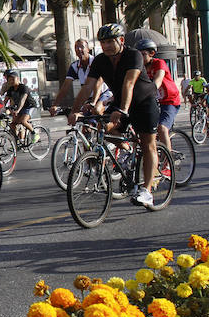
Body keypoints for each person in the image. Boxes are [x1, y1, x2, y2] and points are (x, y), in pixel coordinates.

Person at [68, 23, 160, 208]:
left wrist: (123, 110)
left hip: (143, 102)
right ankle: (126, 149)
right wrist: (74, 110)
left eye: (110, 41)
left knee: (147, 143)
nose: (106, 46)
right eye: (103, 42)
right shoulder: (100, 61)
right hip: (121, 102)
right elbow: (87, 86)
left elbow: (129, 84)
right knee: (103, 127)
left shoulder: (133, 55)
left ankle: (147, 191)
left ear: (121, 40)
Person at [136, 39, 181, 152]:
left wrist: (151, 88)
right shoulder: (139, 67)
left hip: (169, 101)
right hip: (153, 102)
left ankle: (168, 162)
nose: (140, 58)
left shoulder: (159, 63)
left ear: (152, 53)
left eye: (143, 54)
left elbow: (158, 80)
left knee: (162, 128)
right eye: (138, 55)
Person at [48, 38, 112, 116]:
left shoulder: (96, 62)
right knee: (77, 116)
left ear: (88, 49)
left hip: (103, 94)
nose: (79, 49)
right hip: (88, 98)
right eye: (76, 47)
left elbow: (98, 84)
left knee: (97, 110)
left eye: (82, 47)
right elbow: (65, 86)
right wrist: (55, 105)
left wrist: (93, 103)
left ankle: (104, 126)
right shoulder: (75, 66)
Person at [2, 70, 38, 145]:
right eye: (9, 80)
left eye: (13, 79)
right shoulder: (10, 89)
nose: (11, 81)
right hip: (20, 108)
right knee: (12, 124)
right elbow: (5, 101)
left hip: (30, 107)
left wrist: (18, 110)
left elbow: (23, 100)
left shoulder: (23, 87)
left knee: (23, 121)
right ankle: (17, 140)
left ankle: (34, 134)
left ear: (17, 79)